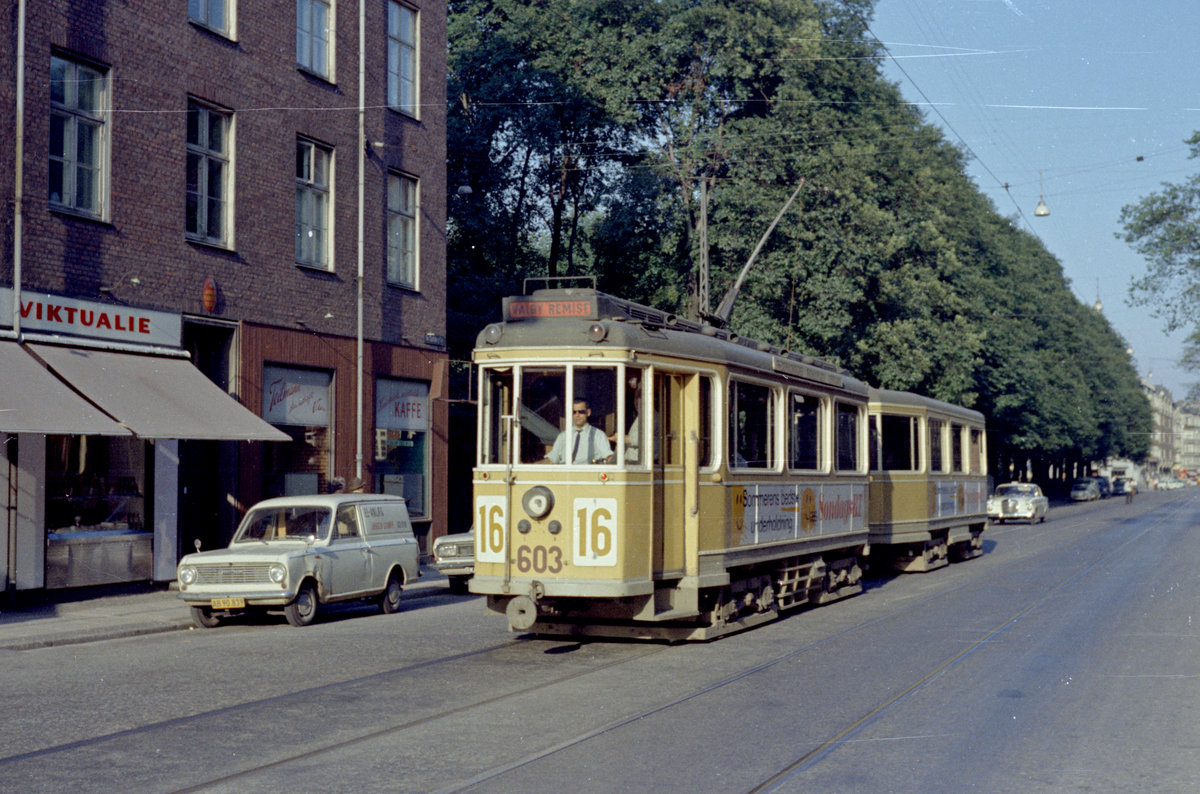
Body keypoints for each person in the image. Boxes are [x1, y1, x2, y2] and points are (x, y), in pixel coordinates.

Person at [545, 399, 612, 464]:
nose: (577, 415)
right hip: (565, 473)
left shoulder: (598, 435)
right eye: (574, 412)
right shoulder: (563, 435)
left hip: (586, 473)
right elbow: (553, 457)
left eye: (581, 412)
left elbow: (607, 455)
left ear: (588, 412)